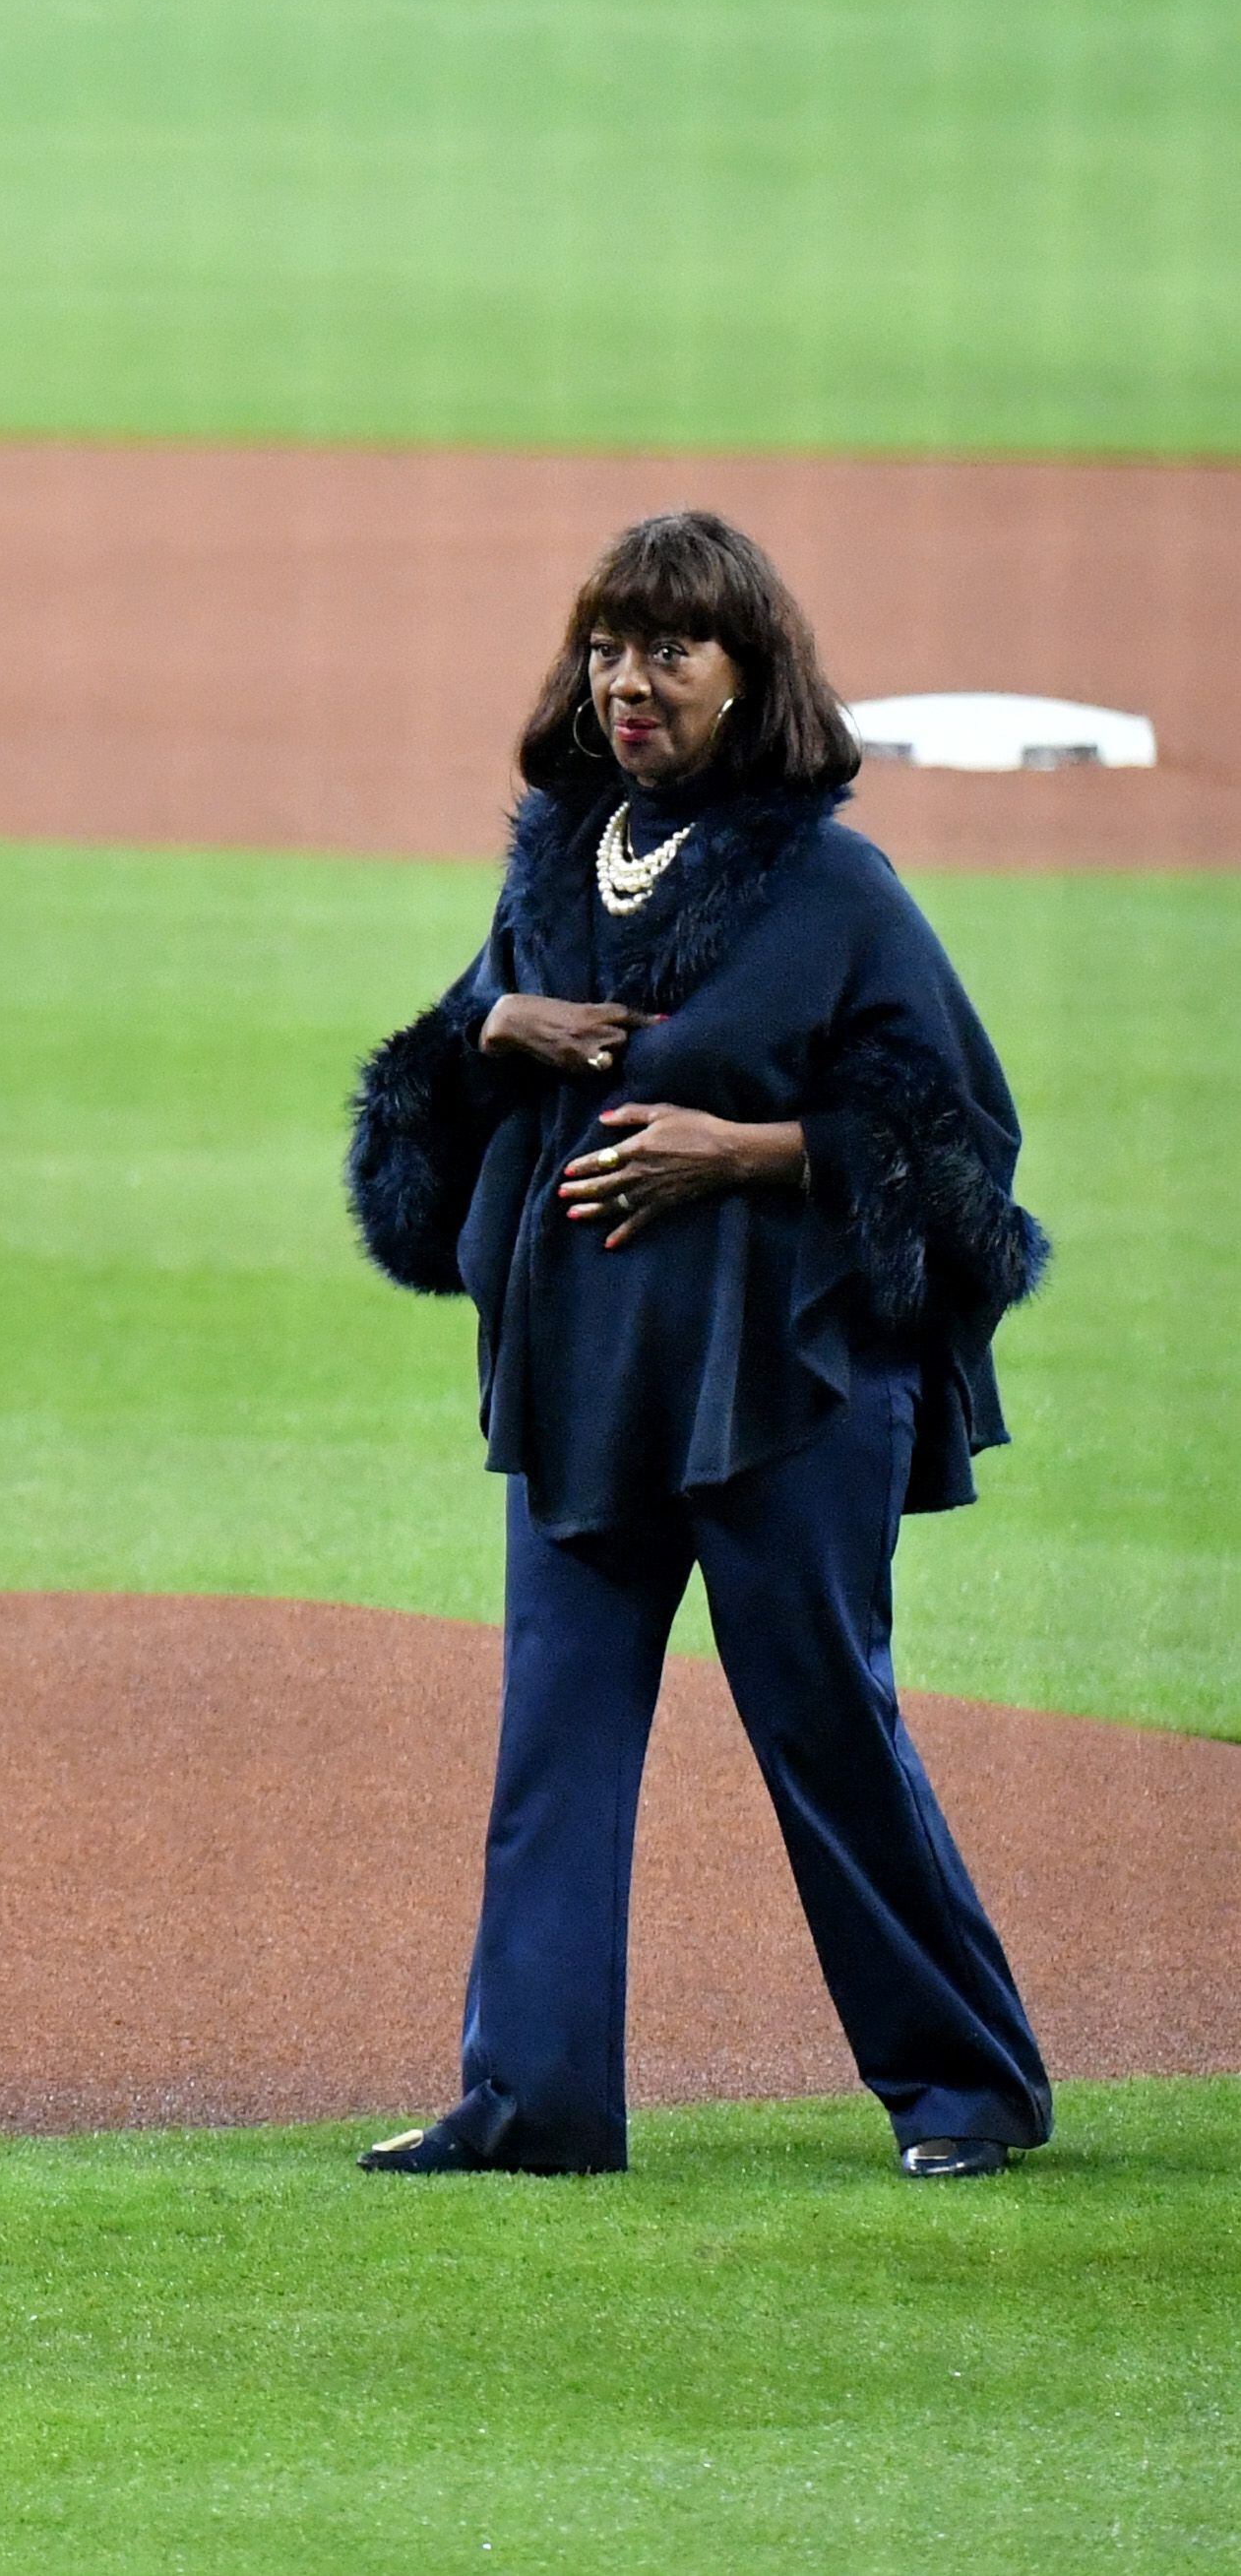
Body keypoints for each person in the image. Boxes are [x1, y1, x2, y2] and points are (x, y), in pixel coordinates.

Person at [343, 510, 1054, 2181]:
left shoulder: (833, 888)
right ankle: (532, 2099)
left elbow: (962, 1155)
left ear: (751, 678)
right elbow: (420, 1132)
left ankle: (966, 2083)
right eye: (606, 645)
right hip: (588, 1373)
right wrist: (484, 1028)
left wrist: (742, 1152)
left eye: (670, 648)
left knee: (821, 1720)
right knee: (554, 1735)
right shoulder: (553, 863)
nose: (628, 680)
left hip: (786, 1380)